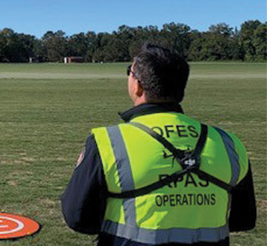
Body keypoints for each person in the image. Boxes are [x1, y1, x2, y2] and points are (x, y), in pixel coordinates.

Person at [61, 43, 256, 246]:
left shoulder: (108, 142)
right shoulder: (229, 144)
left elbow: (78, 217)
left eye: (130, 72)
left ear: (138, 85)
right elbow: (244, 220)